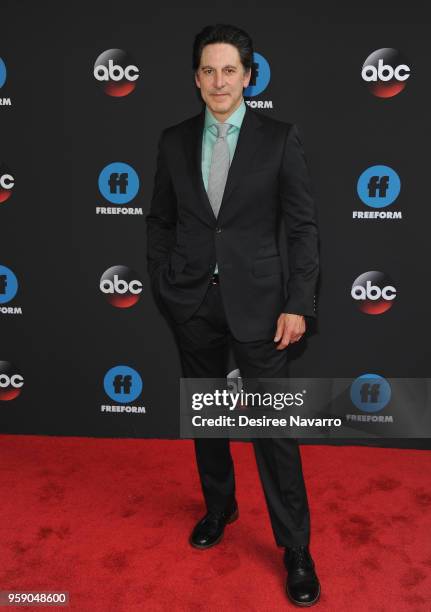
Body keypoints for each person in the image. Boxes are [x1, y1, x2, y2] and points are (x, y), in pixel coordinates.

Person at [145, 23, 321, 606]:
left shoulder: (278, 137)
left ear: (249, 75)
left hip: (264, 307)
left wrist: (299, 302)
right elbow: (160, 220)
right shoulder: (173, 140)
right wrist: (166, 283)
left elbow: (302, 227)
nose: (218, 81)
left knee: (274, 432)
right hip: (192, 300)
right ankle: (219, 508)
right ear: (195, 79)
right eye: (207, 70)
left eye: (229, 70)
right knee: (209, 416)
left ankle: (295, 548)